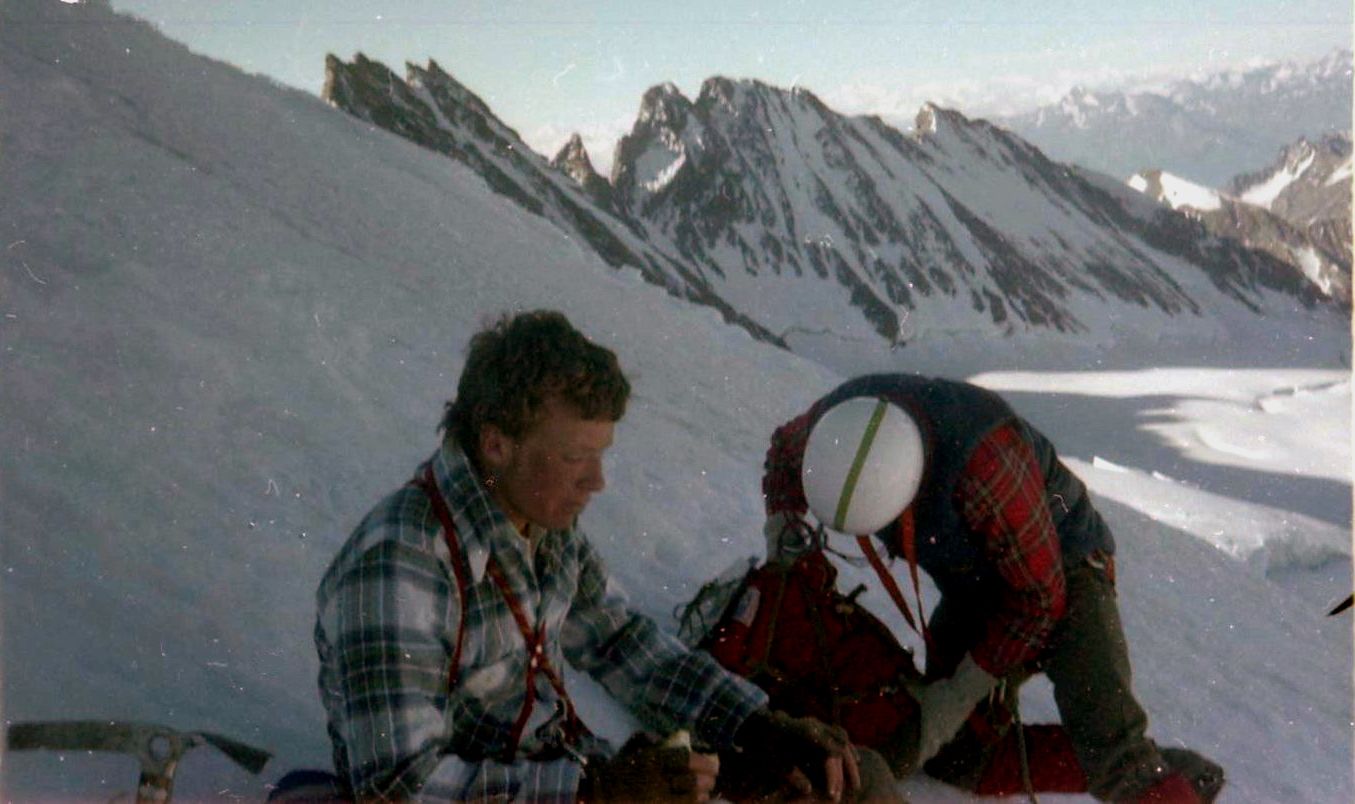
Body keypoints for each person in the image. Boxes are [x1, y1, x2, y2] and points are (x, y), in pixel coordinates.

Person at [313, 310, 895, 802]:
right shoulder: (399, 567)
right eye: (574, 458)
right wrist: (593, 794)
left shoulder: (541, 525)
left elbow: (622, 643)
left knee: (855, 781)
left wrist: (754, 722)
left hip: (576, 773)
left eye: (601, 455)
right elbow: (397, 787)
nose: (597, 482)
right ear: (496, 444)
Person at [760, 373, 1226, 803]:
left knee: (1110, 743)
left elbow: (1040, 602)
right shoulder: (834, 430)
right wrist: (786, 541)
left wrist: (961, 691)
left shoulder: (985, 465)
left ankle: (1151, 777)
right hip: (977, 580)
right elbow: (784, 455)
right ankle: (1155, 764)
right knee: (954, 755)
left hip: (1066, 566)